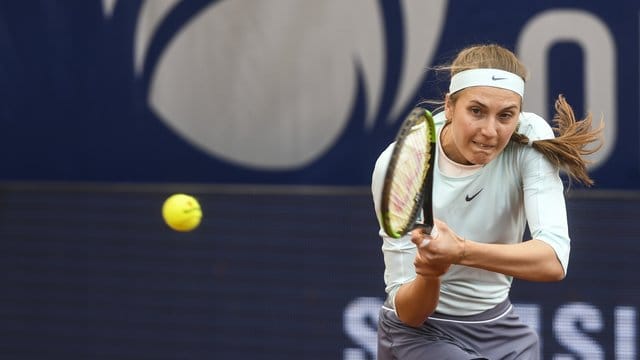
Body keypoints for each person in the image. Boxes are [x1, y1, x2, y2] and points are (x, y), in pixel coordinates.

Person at [371, 43, 604, 359]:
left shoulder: (532, 136)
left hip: (500, 327)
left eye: (506, 115)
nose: (490, 131)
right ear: (450, 106)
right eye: (476, 111)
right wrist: (430, 272)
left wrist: (460, 251)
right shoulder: (403, 164)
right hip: (419, 335)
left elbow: (553, 260)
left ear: (518, 115)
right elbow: (410, 314)